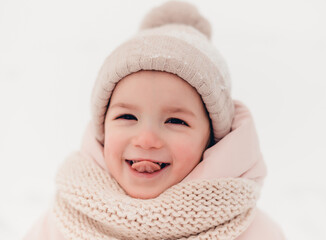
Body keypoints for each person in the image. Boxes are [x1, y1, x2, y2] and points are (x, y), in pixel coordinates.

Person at [24, 1, 285, 239]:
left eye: (175, 121)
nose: (147, 139)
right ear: (102, 128)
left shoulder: (253, 232)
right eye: (127, 116)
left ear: (212, 137)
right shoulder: (62, 221)